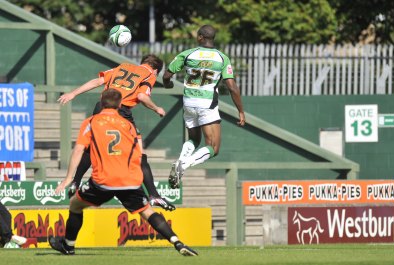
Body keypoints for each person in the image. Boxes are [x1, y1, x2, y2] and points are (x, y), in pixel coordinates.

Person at [49, 89, 197, 256]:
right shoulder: (129, 126)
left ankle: (68, 246)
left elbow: (78, 151)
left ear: (101, 100)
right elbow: (139, 155)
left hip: (104, 181)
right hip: (130, 180)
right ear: (120, 104)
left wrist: (69, 178)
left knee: (75, 204)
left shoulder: (91, 122)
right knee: (147, 212)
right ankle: (177, 242)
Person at [58, 54, 175, 211]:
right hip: (120, 111)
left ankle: (75, 181)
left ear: (142, 62)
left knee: (92, 147)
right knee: (139, 155)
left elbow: (98, 81)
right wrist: (156, 108)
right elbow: (141, 96)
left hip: (101, 107)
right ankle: (154, 195)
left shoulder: (123, 66)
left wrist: (73, 93)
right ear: (155, 70)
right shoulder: (149, 75)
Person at [162, 25, 246, 188]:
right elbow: (232, 87)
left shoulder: (187, 54)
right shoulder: (222, 58)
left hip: (188, 102)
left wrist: (168, 85)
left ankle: (180, 161)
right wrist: (241, 111)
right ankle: (183, 166)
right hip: (207, 104)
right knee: (213, 147)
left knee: (194, 139)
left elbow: (166, 76)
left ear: (200, 37)